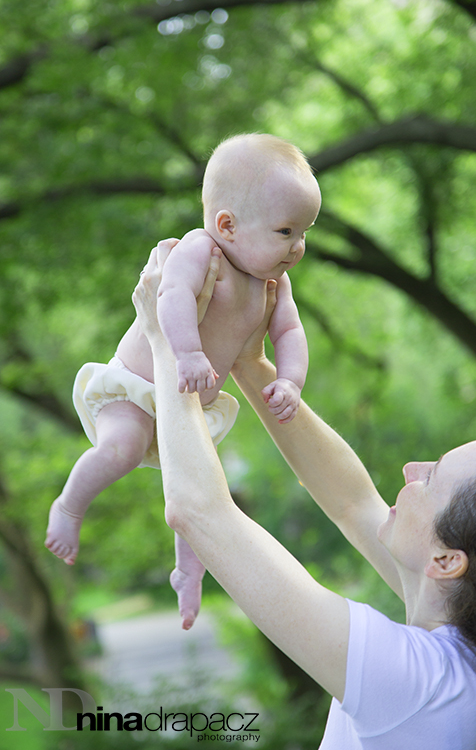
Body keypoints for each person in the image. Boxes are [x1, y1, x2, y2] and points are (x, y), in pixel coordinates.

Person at [131, 238, 476, 749]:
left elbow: (200, 511)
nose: (411, 469)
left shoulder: (419, 686)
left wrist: (166, 339)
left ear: (448, 559)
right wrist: (250, 363)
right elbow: (350, 500)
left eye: (430, 479)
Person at [44, 133, 321, 630]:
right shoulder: (200, 250)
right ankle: (69, 505)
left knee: (200, 492)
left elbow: (290, 332)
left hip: (187, 407)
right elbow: (169, 296)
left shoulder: (275, 282)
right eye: (285, 231)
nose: (297, 246)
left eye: (304, 232)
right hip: (137, 389)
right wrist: (188, 352)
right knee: (122, 449)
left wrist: (292, 382)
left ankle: (188, 574)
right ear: (227, 225)